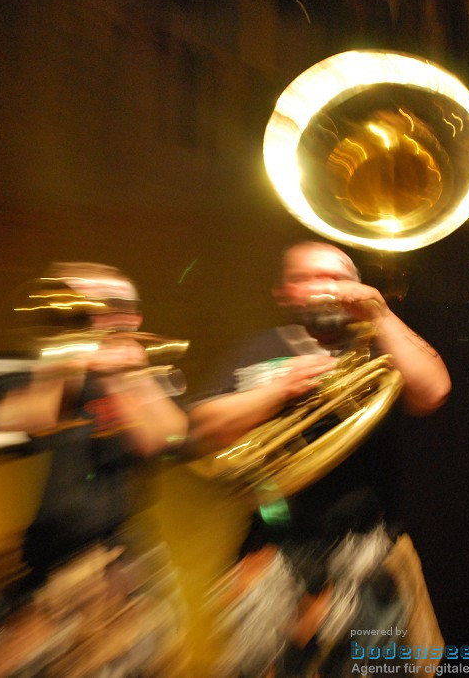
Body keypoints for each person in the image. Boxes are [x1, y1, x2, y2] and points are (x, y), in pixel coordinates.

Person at [190, 240, 451, 676]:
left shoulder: (379, 346)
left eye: (337, 277)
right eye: (308, 278)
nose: (325, 288)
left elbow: (434, 391)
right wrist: (278, 390)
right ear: (284, 293)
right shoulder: (256, 350)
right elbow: (200, 429)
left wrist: (381, 314)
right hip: (271, 551)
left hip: (366, 553)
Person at [0, 262, 189, 676]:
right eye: (87, 304)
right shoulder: (56, 371)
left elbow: (166, 439)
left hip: (114, 557)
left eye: (111, 305)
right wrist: (64, 367)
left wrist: (126, 377)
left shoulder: (148, 373)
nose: (98, 315)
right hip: (40, 556)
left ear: (134, 317)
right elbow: (15, 420)